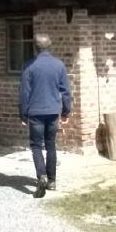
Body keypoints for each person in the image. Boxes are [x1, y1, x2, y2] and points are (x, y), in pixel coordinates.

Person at [19, 34, 71, 198]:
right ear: (50, 46)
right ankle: (52, 180)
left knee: (36, 145)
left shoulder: (29, 66)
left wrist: (23, 114)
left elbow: (24, 93)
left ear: (35, 47)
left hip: (35, 112)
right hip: (53, 111)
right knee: (50, 145)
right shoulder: (59, 65)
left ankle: (41, 176)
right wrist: (66, 111)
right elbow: (66, 91)